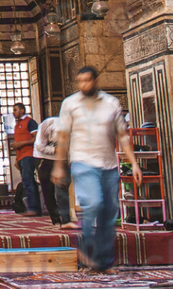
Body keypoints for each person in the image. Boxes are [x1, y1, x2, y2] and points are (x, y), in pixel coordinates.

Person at [53, 66, 142, 272]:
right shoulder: (70, 104)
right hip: (83, 162)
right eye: (80, 81)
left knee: (109, 213)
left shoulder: (111, 103)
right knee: (93, 204)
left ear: (96, 80)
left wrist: (134, 163)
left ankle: (103, 262)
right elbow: (64, 137)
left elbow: (122, 135)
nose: (84, 85)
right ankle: (86, 250)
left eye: (87, 81)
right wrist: (58, 165)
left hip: (109, 164)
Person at [34, 116, 75, 229]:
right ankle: (56, 219)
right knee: (48, 191)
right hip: (44, 158)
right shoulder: (48, 124)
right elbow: (39, 146)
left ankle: (66, 220)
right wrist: (56, 150)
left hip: (62, 160)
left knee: (62, 188)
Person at [10, 102, 41, 217]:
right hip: (21, 157)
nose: (13, 112)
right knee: (30, 181)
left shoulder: (30, 122)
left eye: (15, 110)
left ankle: (32, 208)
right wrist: (17, 160)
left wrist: (21, 144)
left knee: (27, 181)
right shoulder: (17, 125)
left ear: (22, 110)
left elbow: (36, 138)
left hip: (29, 155)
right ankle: (37, 208)